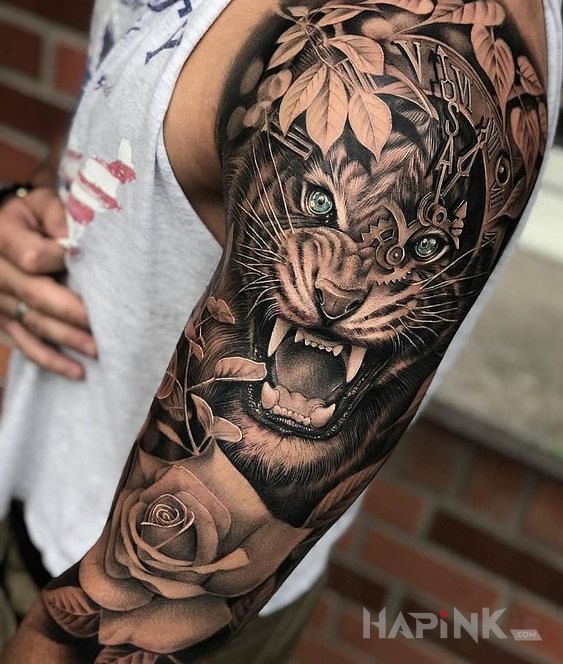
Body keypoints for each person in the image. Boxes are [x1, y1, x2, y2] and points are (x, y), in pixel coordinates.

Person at [0, 0, 561, 661]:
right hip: (35, 472)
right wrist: (40, 193)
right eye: (320, 204)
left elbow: (142, 619)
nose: (340, 289)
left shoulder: (400, 64)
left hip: (104, 609)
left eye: (424, 244)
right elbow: (132, 63)